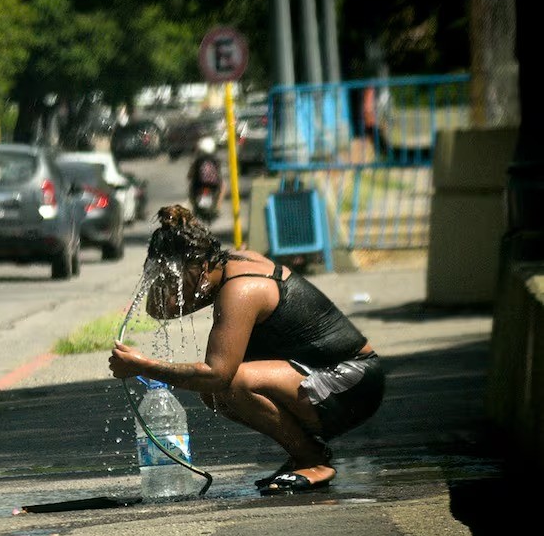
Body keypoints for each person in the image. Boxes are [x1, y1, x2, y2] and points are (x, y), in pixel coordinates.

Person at [109, 205, 385, 495]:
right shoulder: (224, 267)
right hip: (326, 377)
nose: (172, 285)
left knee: (230, 383)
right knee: (214, 393)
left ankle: (312, 460)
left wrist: (142, 365)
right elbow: (160, 309)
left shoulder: (242, 289)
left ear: (201, 267)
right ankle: (305, 451)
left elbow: (217, 375)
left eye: (176, 277)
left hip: (354, 382)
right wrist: (157, 272)